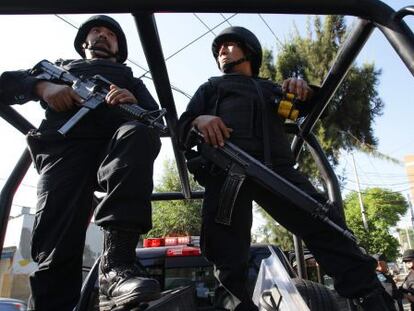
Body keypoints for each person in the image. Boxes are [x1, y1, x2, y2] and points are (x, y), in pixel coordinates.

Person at [177, 26, 395, 311]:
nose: (222, 50)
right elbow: (182, 126)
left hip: (277, 171)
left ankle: (372, 298)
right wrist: (199, 121)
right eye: (219, 48)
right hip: (225, 170)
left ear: (250, 51)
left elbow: (317, 107)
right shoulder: (210, 87)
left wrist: (305, 90)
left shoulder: (272, 89)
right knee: (226, 253)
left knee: (328, 226)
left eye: (229, 45)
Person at [0, 15, 162, 311]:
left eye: (110, 34)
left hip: (114, 153)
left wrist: (132, 105)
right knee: (56, 248)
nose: (102, 35)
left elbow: (156, 121)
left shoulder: (129, 80)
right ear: (83, 42)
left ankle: (118, 265)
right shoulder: (58, 68)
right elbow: (6, 84)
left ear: (119, 46)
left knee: (140, 133)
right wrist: (43, 88)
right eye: (96, 31)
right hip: (63, 153)